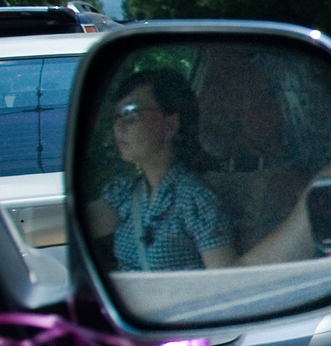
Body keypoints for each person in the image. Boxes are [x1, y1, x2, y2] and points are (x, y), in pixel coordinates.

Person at [86, 69, 235, 271]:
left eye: (131, 113)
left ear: (170, 125)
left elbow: (225, 281)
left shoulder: (195, 200)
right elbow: (75, 222)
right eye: (116, 116)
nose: (119, 126)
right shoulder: (125, 194)